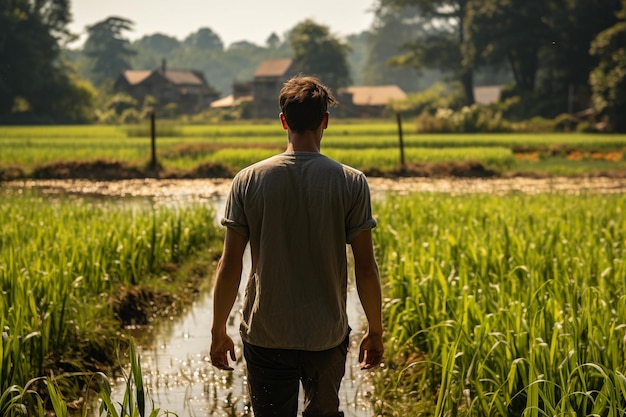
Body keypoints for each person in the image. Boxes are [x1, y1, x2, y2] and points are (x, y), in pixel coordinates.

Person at [210, 75, 383, 417]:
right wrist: (375, 331)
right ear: (325, 122)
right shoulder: (350, 182)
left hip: (266, 333)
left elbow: (230, 264)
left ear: (283, 121)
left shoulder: (248, 179)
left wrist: (218, 331)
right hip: (326, 334)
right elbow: (365, 266)